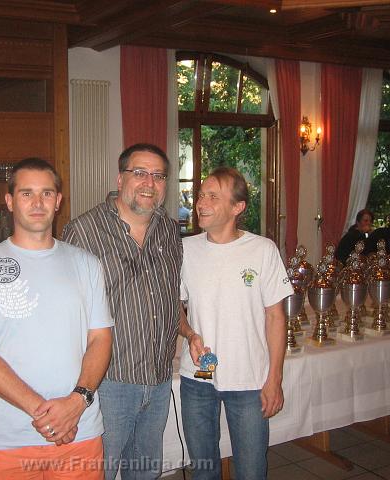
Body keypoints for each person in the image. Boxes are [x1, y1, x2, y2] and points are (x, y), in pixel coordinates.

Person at [0, 158, 113, 479]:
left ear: (58, 201)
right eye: (27, 193)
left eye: (46, 193)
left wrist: (76, 403)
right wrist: (48, 415)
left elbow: (101, 339)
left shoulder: (87, 264)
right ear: (10, 201)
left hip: (79, 430)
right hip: (9, 436)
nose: (38, 203)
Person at [62, 143, 182, 479]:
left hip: (158, 380)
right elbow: (65, 313)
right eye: (139, 172)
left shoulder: (170, 230)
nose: (149, 183)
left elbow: (171, 296)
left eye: (159, 176)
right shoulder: (84, 231)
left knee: (144, 473)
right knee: (99, 472)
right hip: (108, 383)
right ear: (120, 178)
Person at [178, 167, 292, 480]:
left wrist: (274, 378)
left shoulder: (263, 250)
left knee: (251, 471)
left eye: (213, 197)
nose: (201, 203)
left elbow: (276, 317)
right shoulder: (186, 249)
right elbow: (175, 306)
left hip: (249, 380)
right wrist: (189, 334)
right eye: (201, 195)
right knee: (203, 471)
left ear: (237, 207)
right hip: (197, 377)